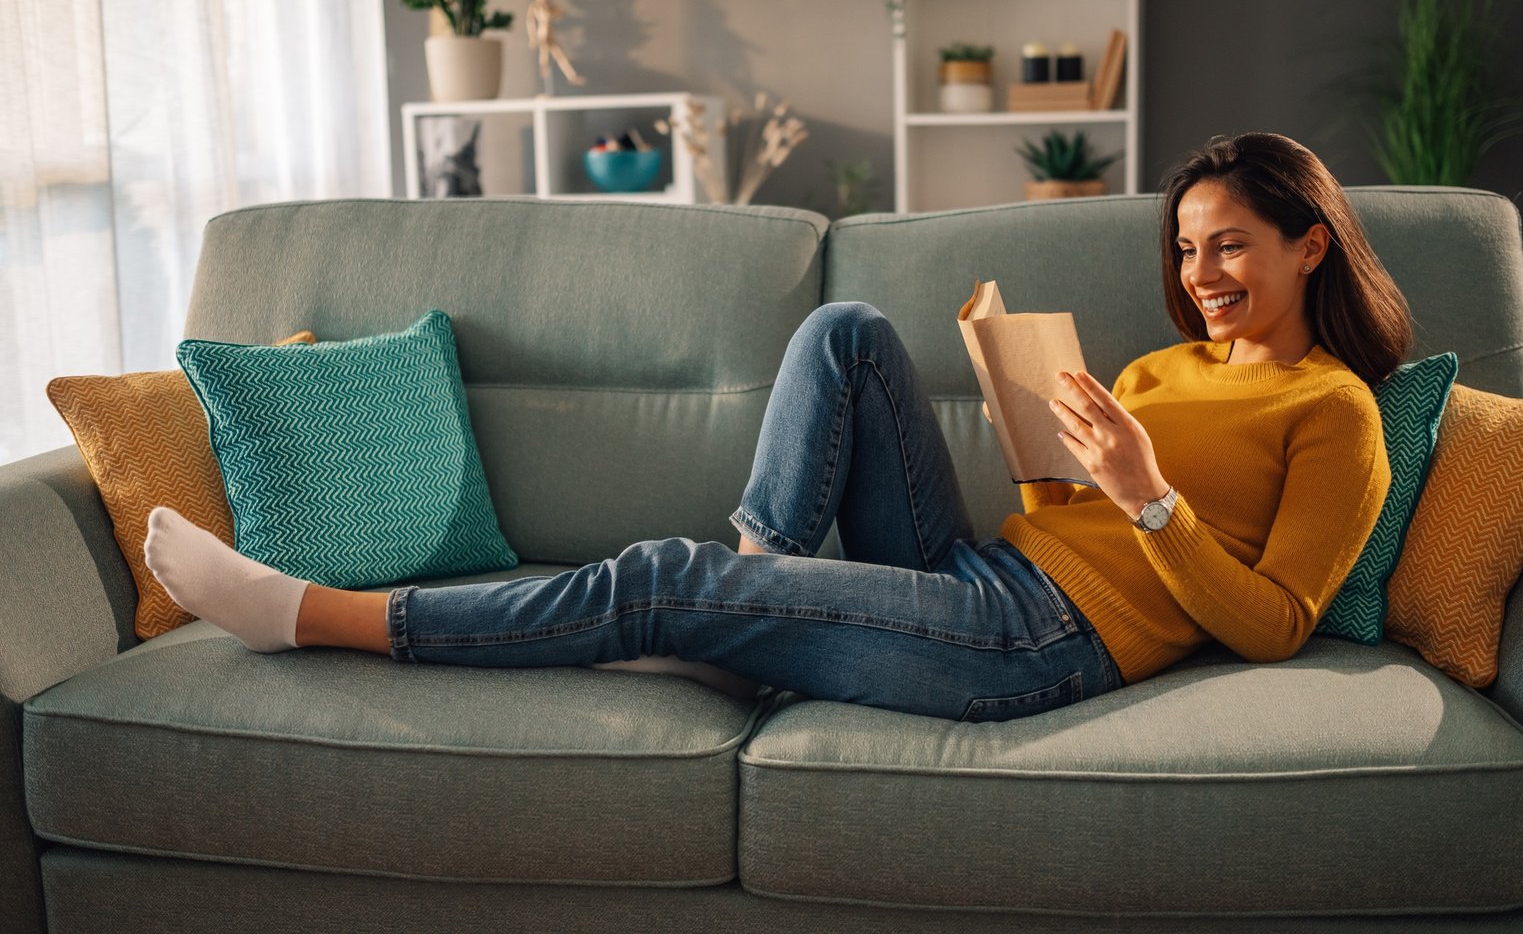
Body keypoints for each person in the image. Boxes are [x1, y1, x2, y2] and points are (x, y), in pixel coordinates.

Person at [143, 132, 1409, 723]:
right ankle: (759, 603)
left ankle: (307, 611)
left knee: (657, 578)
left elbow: (1277, 627)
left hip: (1040, 645)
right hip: (998, 569)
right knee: (849, 328)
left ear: (1309, 242)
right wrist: (1057, 446)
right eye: (1188, 248)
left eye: (1229, 244)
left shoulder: (1334, 412)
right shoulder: (1167, 358)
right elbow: (1075, 511)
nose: (1202, 272)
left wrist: (1144, 497)